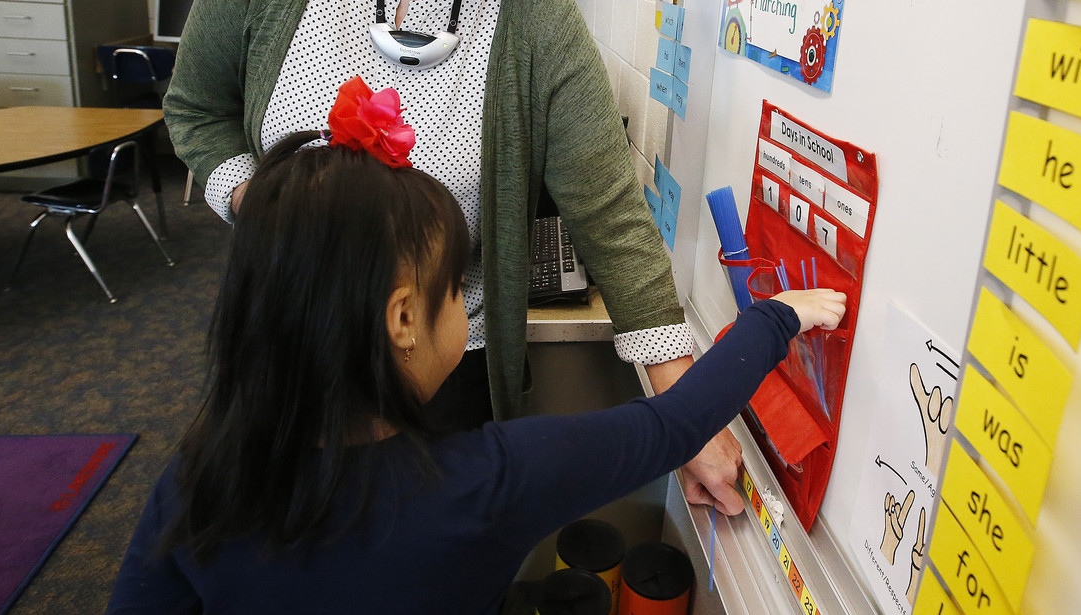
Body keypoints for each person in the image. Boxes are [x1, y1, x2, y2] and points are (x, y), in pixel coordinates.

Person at [163, 0, 745, 511]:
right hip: (285, 347)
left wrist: (689, 412)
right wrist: (252, 199)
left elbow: (610, 213)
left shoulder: (535, 14)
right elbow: (194, 109)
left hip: (446, 370)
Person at [107, 80, 847, 614]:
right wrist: (778, 314)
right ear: (402, 319)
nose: (465, 302)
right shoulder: (488, 484)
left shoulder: (198, 477)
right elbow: (673, 422)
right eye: (456, 288)